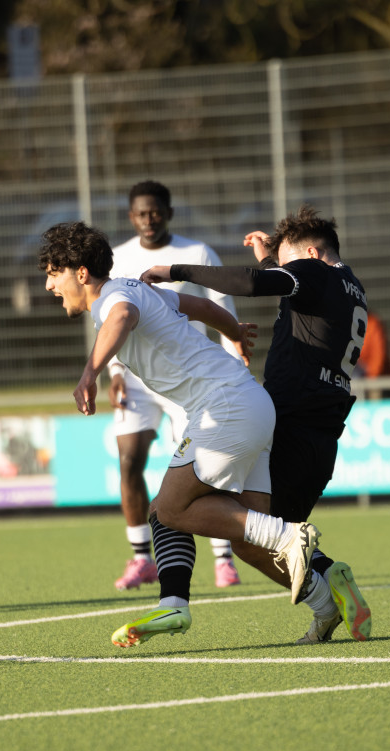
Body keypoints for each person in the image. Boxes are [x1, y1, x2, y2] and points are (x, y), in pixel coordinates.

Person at [38, 221, 320, 647]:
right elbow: (201, 308)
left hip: (224, 408)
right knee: (246, 540)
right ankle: (327, 599)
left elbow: (123, 318)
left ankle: (277, 541)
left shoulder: (115, 299)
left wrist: (89, 373)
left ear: (80, 273)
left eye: (53, 272)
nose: (47, 285)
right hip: (250, 403)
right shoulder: (136, 288)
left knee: (168, 509)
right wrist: (235, 334)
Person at [140, 204, 373, 643]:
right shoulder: (349, 286)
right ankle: (331, 583)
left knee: (180, 511)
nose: (285, 275)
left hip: (287, 427)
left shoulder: (317, 274)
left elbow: (251, 283)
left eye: (289, 266)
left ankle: (175, 604)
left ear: (310, 253)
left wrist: (173, 269)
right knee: (252, 536)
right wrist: (272, 258)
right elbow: (288, 284)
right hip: (319, 437)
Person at [107, 180, 243, 592]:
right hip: (134, 375)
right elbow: (111, 316)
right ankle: (141, 559)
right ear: (131, 217)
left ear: (168, 212)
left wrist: (236, 362)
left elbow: (221, 309)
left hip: (185, 379)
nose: (149, 219)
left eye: (155, 211)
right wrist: (113, 369)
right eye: (140, 213)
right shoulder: (118, 257)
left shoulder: (196, 254)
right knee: (129, 459)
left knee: (202, 466)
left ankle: (223, 559)